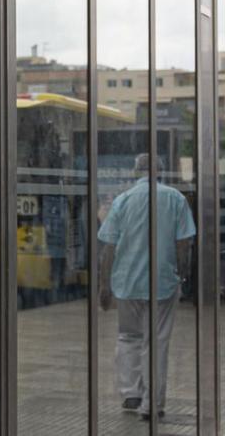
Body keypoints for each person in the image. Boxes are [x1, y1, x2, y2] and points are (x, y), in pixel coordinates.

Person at [98, 153, 195, 421]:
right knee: (157, 341)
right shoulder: (175, 198)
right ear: (161, 171)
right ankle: (152, 405)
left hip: (127, 282)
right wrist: (182, 274)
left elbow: (108, 247)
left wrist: (104, 285)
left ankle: (131, 392)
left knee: (128, 336)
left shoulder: (123, 200)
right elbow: (183, 243)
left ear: (136, 171)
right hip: (162, 283)